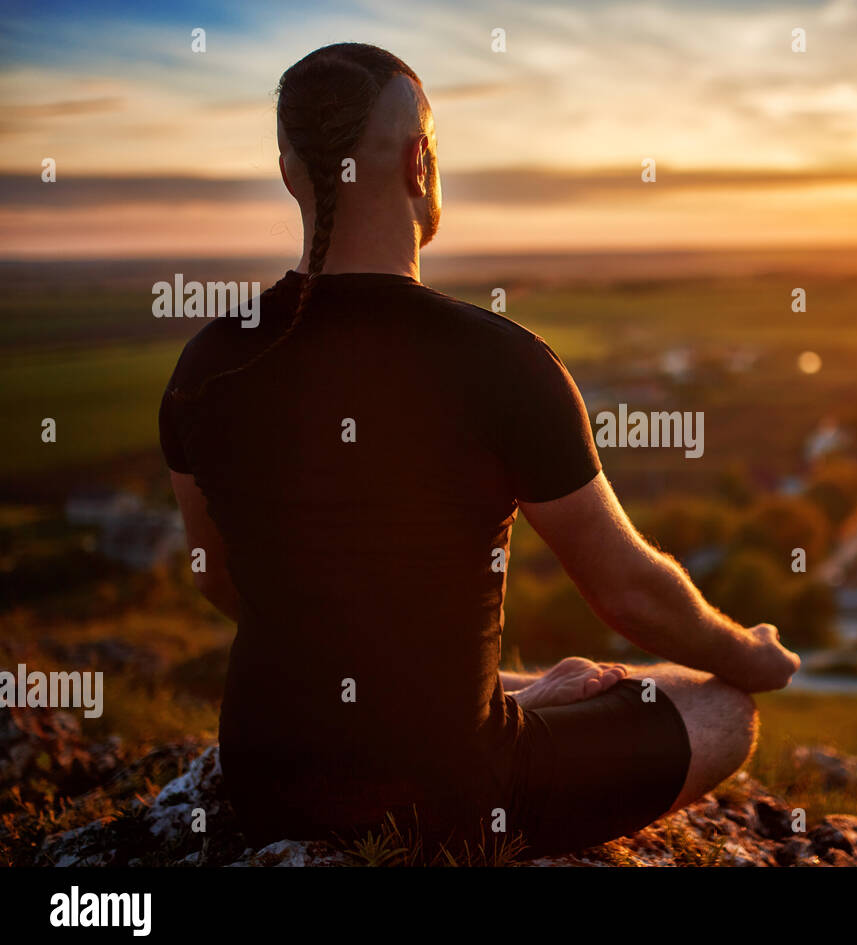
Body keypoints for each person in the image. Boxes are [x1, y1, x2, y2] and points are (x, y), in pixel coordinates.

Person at [158, 42, 799, 860]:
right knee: (720, 709)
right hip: (454, 795)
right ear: (420, 162)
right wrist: (750, 652)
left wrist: (503, 691)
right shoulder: (498, 362)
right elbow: (629, 592)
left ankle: (524, 693)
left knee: (563, 679)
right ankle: (530, 705)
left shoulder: (210, 361)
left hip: (264, 781)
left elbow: (224, 581)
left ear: (289, 170)